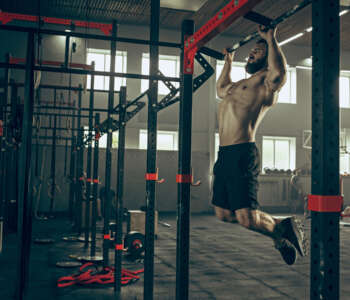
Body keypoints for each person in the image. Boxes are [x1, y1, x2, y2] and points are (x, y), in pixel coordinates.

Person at [213, 25, 307, 265]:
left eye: (257, 50)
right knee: (223, 214)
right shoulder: (238, 85)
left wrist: (271, 39)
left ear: (267, 57)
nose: (251, 53)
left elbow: (280, 74)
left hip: (242, 153)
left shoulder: (265, 83)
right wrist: (228, 62)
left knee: (247, 218)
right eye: (252, 50)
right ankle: (281, 228)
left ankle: (279, 234)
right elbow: (220, 89)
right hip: (224, 155)